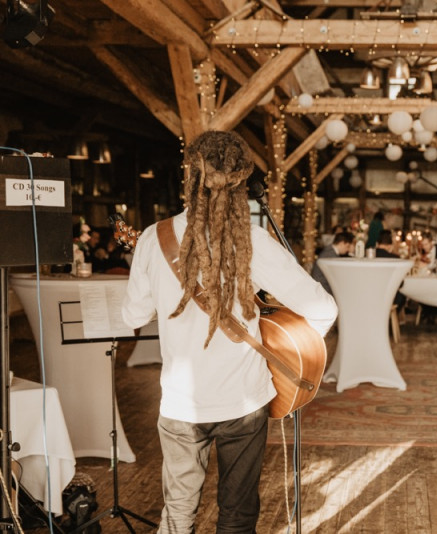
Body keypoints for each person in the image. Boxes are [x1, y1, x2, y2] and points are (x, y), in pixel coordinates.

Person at [121, 131, 338, 533]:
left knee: (178, 511)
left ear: (192, 176)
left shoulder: (154, 239)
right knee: (237, 514)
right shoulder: (253, 242)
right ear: (240, 184)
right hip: (243, 402)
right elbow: (323, 309)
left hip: (181, 405)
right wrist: (283, 340)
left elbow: (132, 315)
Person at [311, 231, 356, 295]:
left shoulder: (330, 250)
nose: (347, 250)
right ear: (342, 243)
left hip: (322, 287)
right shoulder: (331, 255)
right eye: (347, 246)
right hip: (323, 289)